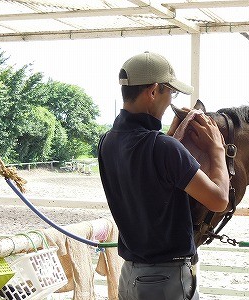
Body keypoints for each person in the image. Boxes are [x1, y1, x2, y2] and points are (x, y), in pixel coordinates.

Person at [98, 51, 229, 300]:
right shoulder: (163, 148)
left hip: (129, 277)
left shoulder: (107, 142)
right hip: (165, 282)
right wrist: (217, 150)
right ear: (153, 91)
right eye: (171, 92)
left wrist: (171, 140)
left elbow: (147, 173)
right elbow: (219, 200)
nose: (171, 100)